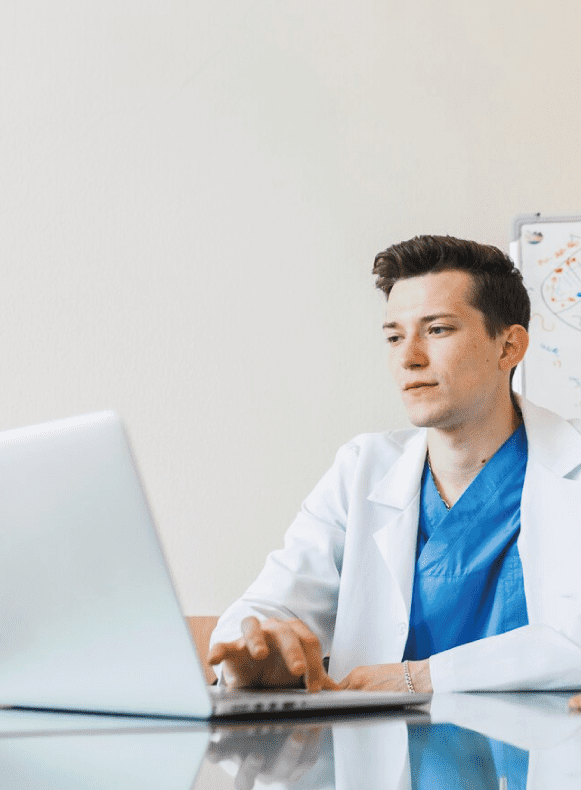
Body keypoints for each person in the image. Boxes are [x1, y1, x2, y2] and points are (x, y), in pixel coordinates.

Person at [208, 235, 581, 697]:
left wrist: (421, 678)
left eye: (437, 330)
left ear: (509, 347)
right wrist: (253, 650)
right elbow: (272, 604)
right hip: (378, 742)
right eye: (394, 337)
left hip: (549, 741)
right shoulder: (361, 468)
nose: (409, 358)